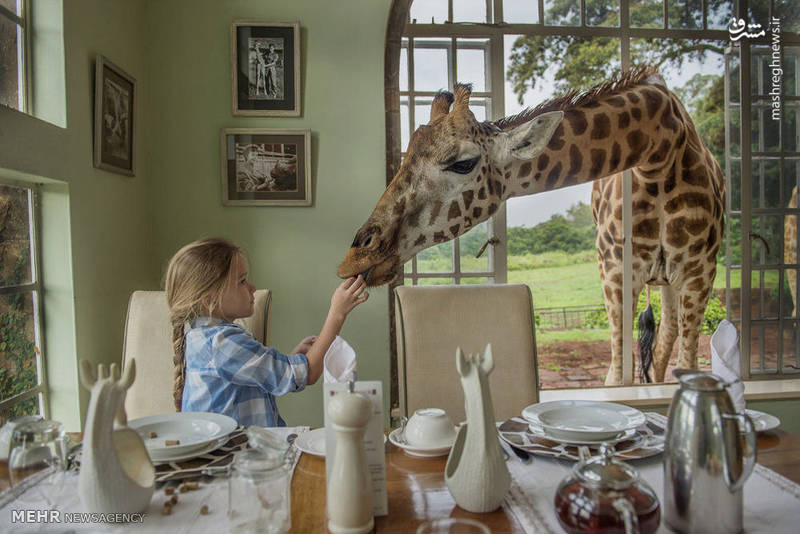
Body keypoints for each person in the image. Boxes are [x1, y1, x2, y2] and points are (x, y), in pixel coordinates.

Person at [165, 238, 369, 427]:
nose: (252, 287)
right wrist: (337, 313)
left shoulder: (201, 337)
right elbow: (307, 374)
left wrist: (291, 358)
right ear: (210, 300)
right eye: (242, 281)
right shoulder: (222, 342)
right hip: (239, 452)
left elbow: (261, 380)